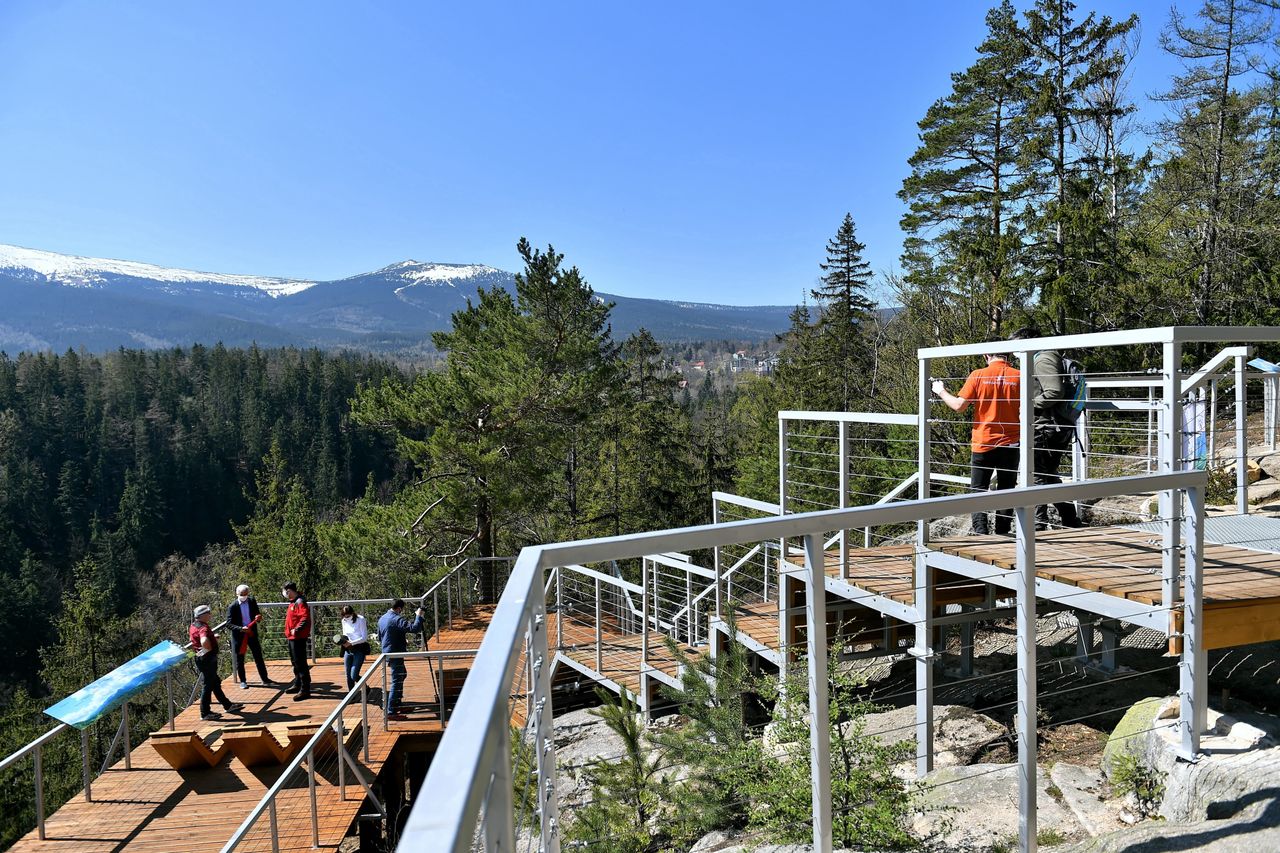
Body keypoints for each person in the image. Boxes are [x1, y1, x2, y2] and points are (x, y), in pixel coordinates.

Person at [932, 352, 1021, 536]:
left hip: (984, 441)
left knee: (978, 489)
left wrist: (940, 390)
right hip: (1011, 443)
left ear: (986, 355)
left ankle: (981, 533)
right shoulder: (1019, 375)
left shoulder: (978, 375)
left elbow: (958, 406)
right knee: (1007, 489)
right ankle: (1003, 534)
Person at [1010, 327, 1083, 530]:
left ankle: (1038, 527)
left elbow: (1054, 391)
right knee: (1048, 475)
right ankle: (1070, 520)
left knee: (1037, 476)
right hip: (1054, 426)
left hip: (1046, 428)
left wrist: (1028, 404)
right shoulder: (1048, 356)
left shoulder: (1042, 359)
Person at [189, 605, 244, 721]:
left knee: (214, 683)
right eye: (208, 612)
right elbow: (203, 640)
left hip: (201, 659)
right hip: (207, 660)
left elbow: (198, 639)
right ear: (202, 615)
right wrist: (208, 647)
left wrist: (212, 638)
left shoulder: (193, 625)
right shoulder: (203, 627)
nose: (210, 614)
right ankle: (205, 713)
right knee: (208, 686)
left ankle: (227, 705)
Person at [377, 598, 424, 720]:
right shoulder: (396, 618)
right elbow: (414, 629)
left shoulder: (382, 618)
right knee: (396, 680)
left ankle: (397, 704)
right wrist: (419, 616)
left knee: (402, 675)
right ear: (399, 608)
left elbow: (381, 637)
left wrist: (401, 640)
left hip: (388, 652)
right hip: (395, 654)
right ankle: (391, 711)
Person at [226, 583, 274, 689]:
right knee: (240, 660)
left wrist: (259, 617)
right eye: (242, 594)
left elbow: (257, 613)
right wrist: (240, 628)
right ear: (237, 594)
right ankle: (243, 681)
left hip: (252, 633)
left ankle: (265, 679)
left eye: (246, 593)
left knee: (258, 656)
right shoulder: (232, 606)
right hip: (239, 636)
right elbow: (228, 624)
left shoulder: (252, 601)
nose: (244, 596)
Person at [281, 582, 311, 701]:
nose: (284, 594)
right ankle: (297, 683)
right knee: (295, 662)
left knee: (301, 663)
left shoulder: (300, 602)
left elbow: (305, 617)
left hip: (298, 637)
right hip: (291, 637)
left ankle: (305, 690)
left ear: (289, 591)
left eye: (285, 592)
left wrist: (297, 629)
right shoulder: (293, 602)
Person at [339, 605, 371, 690]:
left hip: (359, 649)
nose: (346, 618)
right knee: (348, 675)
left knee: (354, 675)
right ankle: (351, 696)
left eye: (348, 616)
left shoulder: (360, 619)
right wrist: (342, 641)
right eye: (344, 616)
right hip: (348, 649)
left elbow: (364, 638)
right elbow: (345, 634)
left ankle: (366, 688)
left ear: (352, 613)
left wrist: (352, 643)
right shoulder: (344, 621)